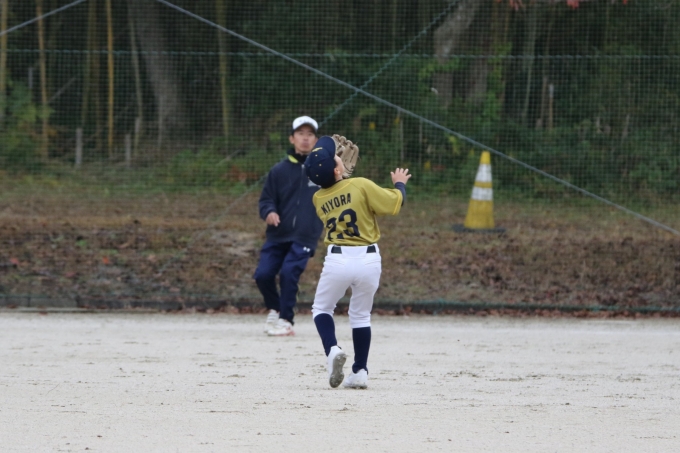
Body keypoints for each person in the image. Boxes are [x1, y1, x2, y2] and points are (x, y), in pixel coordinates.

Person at [303, 136, 412, 389]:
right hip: (368, 260)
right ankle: (360, 371)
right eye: (336, 157)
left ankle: (332, 350)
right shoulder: (361, 185)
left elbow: (338, 190)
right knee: (361, 316)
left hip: (338, 260)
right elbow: (395, 203)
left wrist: (337, 173)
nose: (339, 155)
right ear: (337, 170)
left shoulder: (318, 198)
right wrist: (399, 183)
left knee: (322, 309)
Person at [254, 116, 324, 337]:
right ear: (292, 139)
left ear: (316, 140)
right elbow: (266, 200)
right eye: (300, 134)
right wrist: (269, 212)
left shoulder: (323, 171)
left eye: (310, 134)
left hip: (305, 236)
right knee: (263, 275)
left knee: (289, 273)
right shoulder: (278, 171)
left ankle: (286, 320)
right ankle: (275, 309)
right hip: (277, 234)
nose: (305, 138)